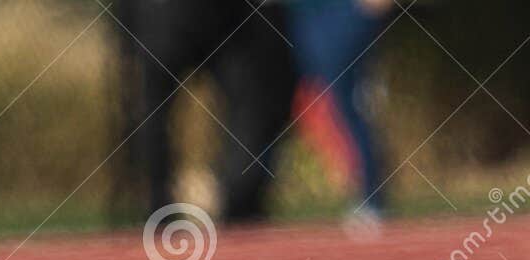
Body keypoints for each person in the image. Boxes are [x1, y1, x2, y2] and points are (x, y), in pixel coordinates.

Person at [121, 0, 297, 223]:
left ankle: (233, 201)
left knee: (251, 103)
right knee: (248, 103)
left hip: (210, 21)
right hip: (196, 20)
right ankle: (236, 204)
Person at [283, 0, 393, 219]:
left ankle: (370, 195)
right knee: (316, 99)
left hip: (346, 11)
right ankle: (361, 187)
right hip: (303, 13)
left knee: (345, 100)